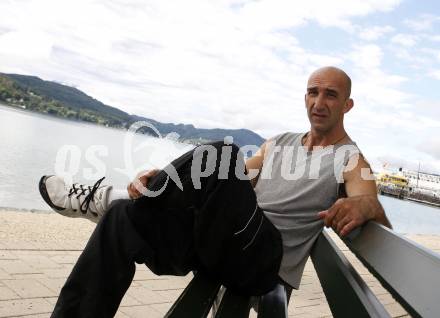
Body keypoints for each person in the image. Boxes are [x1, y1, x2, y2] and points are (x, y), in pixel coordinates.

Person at [39, 66, 391, 317]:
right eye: (313, 92)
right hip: (223, 246)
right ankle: (120, 201)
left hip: (263, 261)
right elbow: (228, 180)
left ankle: (104, 197)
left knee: (223, 152)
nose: (319, 101)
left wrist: (364, 205)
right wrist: (167, 178)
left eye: (331, 94)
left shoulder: (350, 157)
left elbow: (372, 204)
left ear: (347, 105)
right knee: (121, 219)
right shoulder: (278, 143)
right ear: (305, 97)